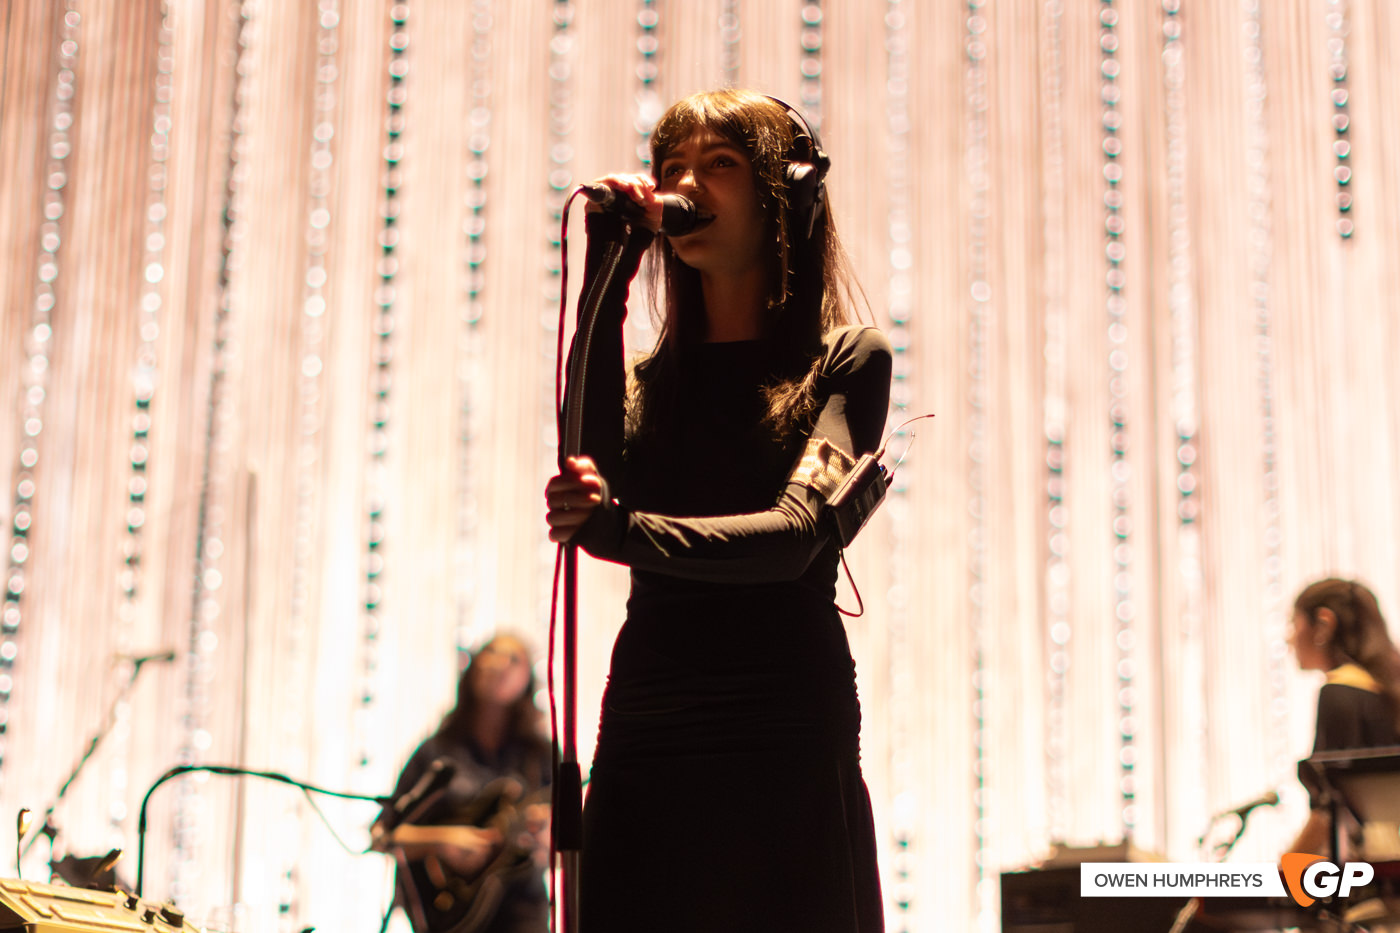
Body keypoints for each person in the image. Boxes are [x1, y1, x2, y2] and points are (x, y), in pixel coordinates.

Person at [545, 89, 891, 932]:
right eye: (673, 168)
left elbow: (794, 538)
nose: (687, 182)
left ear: (787, 193)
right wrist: (607, 270)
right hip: (651, 716)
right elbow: (588, 464)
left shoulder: (849, 360)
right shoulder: (649, 384)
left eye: (720, 164)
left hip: (785, 723)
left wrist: (622, 531)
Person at [372, 634, 551, 933]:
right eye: (491, 652)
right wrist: (442, 840)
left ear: (527, 679)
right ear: (473, 667)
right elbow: (382, 835)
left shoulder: (540, 755)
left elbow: (562, 852)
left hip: (522, 912)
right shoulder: (437, 750)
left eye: (513, 659)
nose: (500, 664)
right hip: (446, 911)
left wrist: (546, 839)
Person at [1287, 578, 1400, 858]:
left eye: (1294, 623)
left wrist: (1283, 867)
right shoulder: (1383, 691)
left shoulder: (1338, 694)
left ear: (1323, 623)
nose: (1289, 637)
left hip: (1371, 873)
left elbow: (1328, 811)